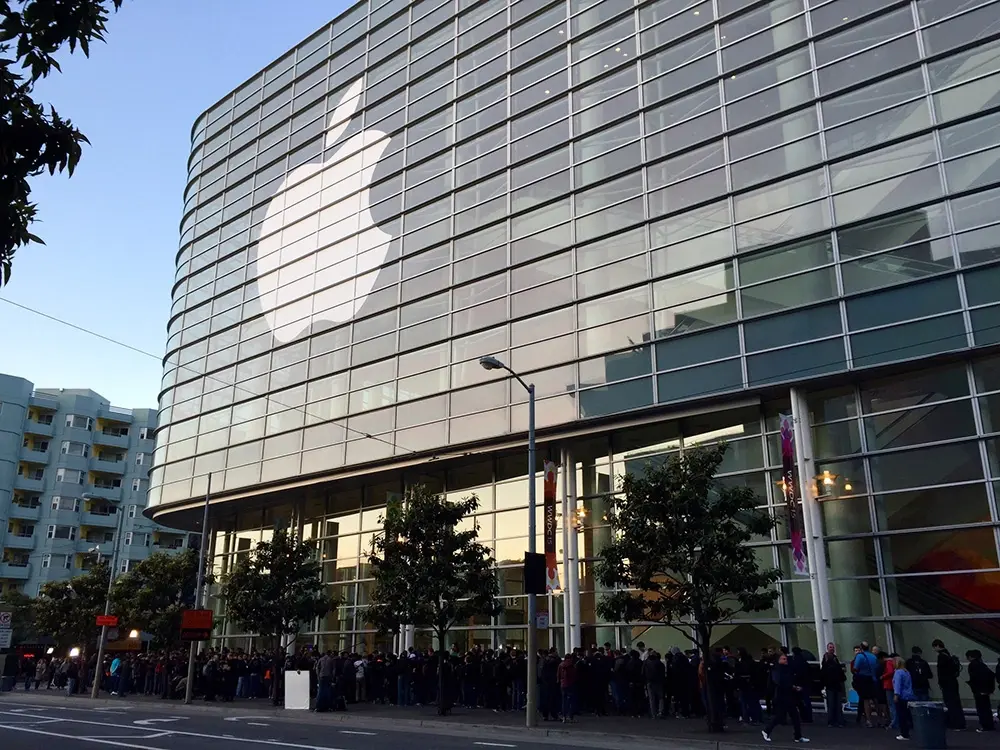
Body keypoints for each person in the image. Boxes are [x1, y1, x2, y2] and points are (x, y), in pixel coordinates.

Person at [762, 654, 809, 744]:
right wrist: (793, 687)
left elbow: (788, 680)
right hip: (782, 696)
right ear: (778, 660)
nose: (785, 660)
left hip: (787, 696)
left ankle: (797, 736)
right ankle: (767, 730)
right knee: (781, 716)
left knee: (794, 716)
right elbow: (780, 682)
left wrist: (793, 686)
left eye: (786, 658)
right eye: (783, 659)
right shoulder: (777, 670)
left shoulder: (785, 669)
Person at [932, 639, 966, 730]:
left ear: (937, 646)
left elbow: (941, 671)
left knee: (950, 703)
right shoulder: (948, 655)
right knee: (955, 703)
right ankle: (960, 723)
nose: (934, 649)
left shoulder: (941, 656)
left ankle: (955, 723)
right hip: (952, 681)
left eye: (934, 647)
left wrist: (940, 682)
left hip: (947, 683)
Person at [966, 649, 996, 732]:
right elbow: (991, 675)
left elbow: (974, 678)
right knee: (986, 708)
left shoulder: (973, 665)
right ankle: (989, 725)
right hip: (985, 690)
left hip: (979, 690)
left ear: (970, 657)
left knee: (981, 709)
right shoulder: (982, 665)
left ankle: (985, 726)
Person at [852, 642, 879, 728]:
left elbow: (855, 668)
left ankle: (869, 720)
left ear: (861, 648)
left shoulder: (860, 656)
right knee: (875, 699)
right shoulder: (873, 656)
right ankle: (880, 719)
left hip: (864, 679)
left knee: (866, 700)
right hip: (873, 679)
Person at [820, 643, 846, 728]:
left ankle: (834, 721)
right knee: (834, 703)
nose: (832, 649)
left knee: (834, 703)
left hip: (833, 685)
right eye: (830, 647)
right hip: (832, 684)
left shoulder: (830, 658)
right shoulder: (831, 659)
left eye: (832, 647)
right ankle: (836, 721)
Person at [892, 656, 915, 741]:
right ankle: (909, 731)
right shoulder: (906, 672)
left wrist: (896, 695)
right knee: (907, 715)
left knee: (901, 716)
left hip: (901, 696)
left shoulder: (898, 673)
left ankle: (904, 734)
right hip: (909, 695)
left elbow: (897, 685)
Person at [642, 650, 666, 718]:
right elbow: (662, 673)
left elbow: (642, 672)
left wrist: (644, 681)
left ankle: (653, 714)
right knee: (660, 697)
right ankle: (660, 711)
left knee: (651, 698)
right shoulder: (659, 662)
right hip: (658, 682)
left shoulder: (646, 662)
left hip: (649, 682)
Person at [557, 653, 577, 723]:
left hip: (563, 684)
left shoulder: (561, 665)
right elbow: (574, 675)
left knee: (564, 701)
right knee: (571, 701)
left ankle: (564, 717)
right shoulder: (572, 665)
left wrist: (559, 681)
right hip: (570, 684)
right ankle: (570, 716)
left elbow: (558, 675)